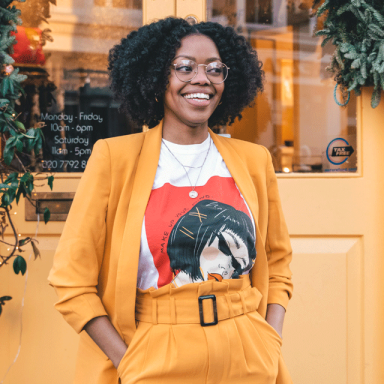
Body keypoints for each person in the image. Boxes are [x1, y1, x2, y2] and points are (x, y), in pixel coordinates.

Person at [48, 17, 293, 384]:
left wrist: (269, 340)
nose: (202, 79)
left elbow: (277, 262)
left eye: (214, 69)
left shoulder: (254, 160)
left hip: (247, 352)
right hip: (154, 354)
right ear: (154, 77)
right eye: (184, 67)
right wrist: (126, 361)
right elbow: (71, 281)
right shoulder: (114, 158)